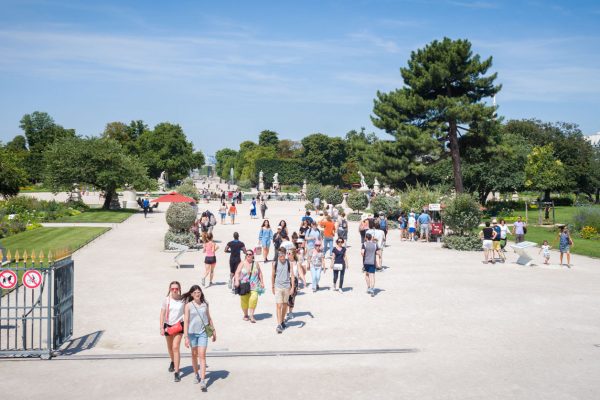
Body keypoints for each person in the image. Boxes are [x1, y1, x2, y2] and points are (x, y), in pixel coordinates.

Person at [183, 285, 216, 390]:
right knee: (194, 355)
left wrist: (213, 330)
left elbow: (209, 318)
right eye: (195, 292)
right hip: (192, 333)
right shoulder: (188, 305)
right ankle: (196, 374)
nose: (197, 294)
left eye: (199, 292)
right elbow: (186, 321)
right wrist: (186, 337)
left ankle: (202, 380)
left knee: (202, 355)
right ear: (192, 294)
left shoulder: (205, 304)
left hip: (203, 333)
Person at [159, 281, 184, 382]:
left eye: (176, 289)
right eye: (172, 289)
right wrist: (161, 327)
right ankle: (173, 361)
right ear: (169, 289)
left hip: (179, 326)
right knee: (169, 347)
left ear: (179, 289)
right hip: (168, 325)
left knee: (175, 347)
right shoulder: (166, 300)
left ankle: (177, 372)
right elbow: (162, 314)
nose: (174, 290)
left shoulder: (183, 299)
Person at [234, 250, 264, 322]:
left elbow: (260, 273)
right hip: (244, 285)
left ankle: (251, 316)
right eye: (247, 254)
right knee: (244, 300)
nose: (248, 255)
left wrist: (262, 282)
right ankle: (245, 314)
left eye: (250, 254)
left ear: (253, 255)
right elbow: (237, 273)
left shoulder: (256, 263)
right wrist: (237, 281)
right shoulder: (242, 263)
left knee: (254, 299)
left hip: (254, 285)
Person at [272, 247, 295, 333]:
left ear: (285, 254)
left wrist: (292, 287)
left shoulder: (289, 263)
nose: (280, 256)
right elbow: (272, 275)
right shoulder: (275, 263)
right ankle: (279, 325)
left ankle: (282, 321)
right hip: (278, 287)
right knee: (278, 305)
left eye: (282, 254)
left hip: (286, 287)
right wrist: (272, 287)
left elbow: (292, 275)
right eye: (279, 254)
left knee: (285, 305)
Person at [286, 249, 299, 320]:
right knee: (285, 297)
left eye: (289, 253)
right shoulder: (285, 262)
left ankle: (290, 312)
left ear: (293, 254)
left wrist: (304, 280)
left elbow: (299, 272)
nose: (287, 254)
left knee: (292, 298)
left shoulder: (296, 262)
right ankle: (284, 312)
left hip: (294, 281)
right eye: (287, 253)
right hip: (286, 280)